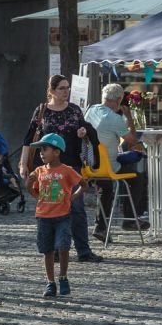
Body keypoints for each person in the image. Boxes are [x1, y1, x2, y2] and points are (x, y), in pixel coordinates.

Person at [20, 75, 102, 263]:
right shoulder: (42, 111)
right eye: (61, 88)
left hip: (71, 166)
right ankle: (55, 250)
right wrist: (23, 164)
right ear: (51, 91)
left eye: (67, 88)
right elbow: (29, 138)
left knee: (76, 208)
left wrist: (83, 133)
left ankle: (83, 251)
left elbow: (85, 131)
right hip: (47, 168)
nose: (66, 92)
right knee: (51, 209)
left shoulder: (74, 110)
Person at [83, 82, 148, 235]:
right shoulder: (114, 118)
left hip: (90, 164)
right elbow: (132, 140)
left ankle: (101, 228)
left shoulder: (91, 110)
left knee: (107, 187)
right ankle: (130, 219)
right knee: (138, 178)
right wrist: (129, 117)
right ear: (119, 100)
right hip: (108, 166)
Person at [26, 133, 83, 298]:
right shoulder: (39, 171)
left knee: (64, 246)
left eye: (45, 149)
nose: (41, 153)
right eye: (40, 150)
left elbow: (84, 185)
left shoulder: (67, 171)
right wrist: (30, 187)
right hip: (43, 217)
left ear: (57, 152)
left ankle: (63, 276)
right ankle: (50, 283)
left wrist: (71, 198)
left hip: (63, 216)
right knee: (47, 250)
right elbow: (33, 190)